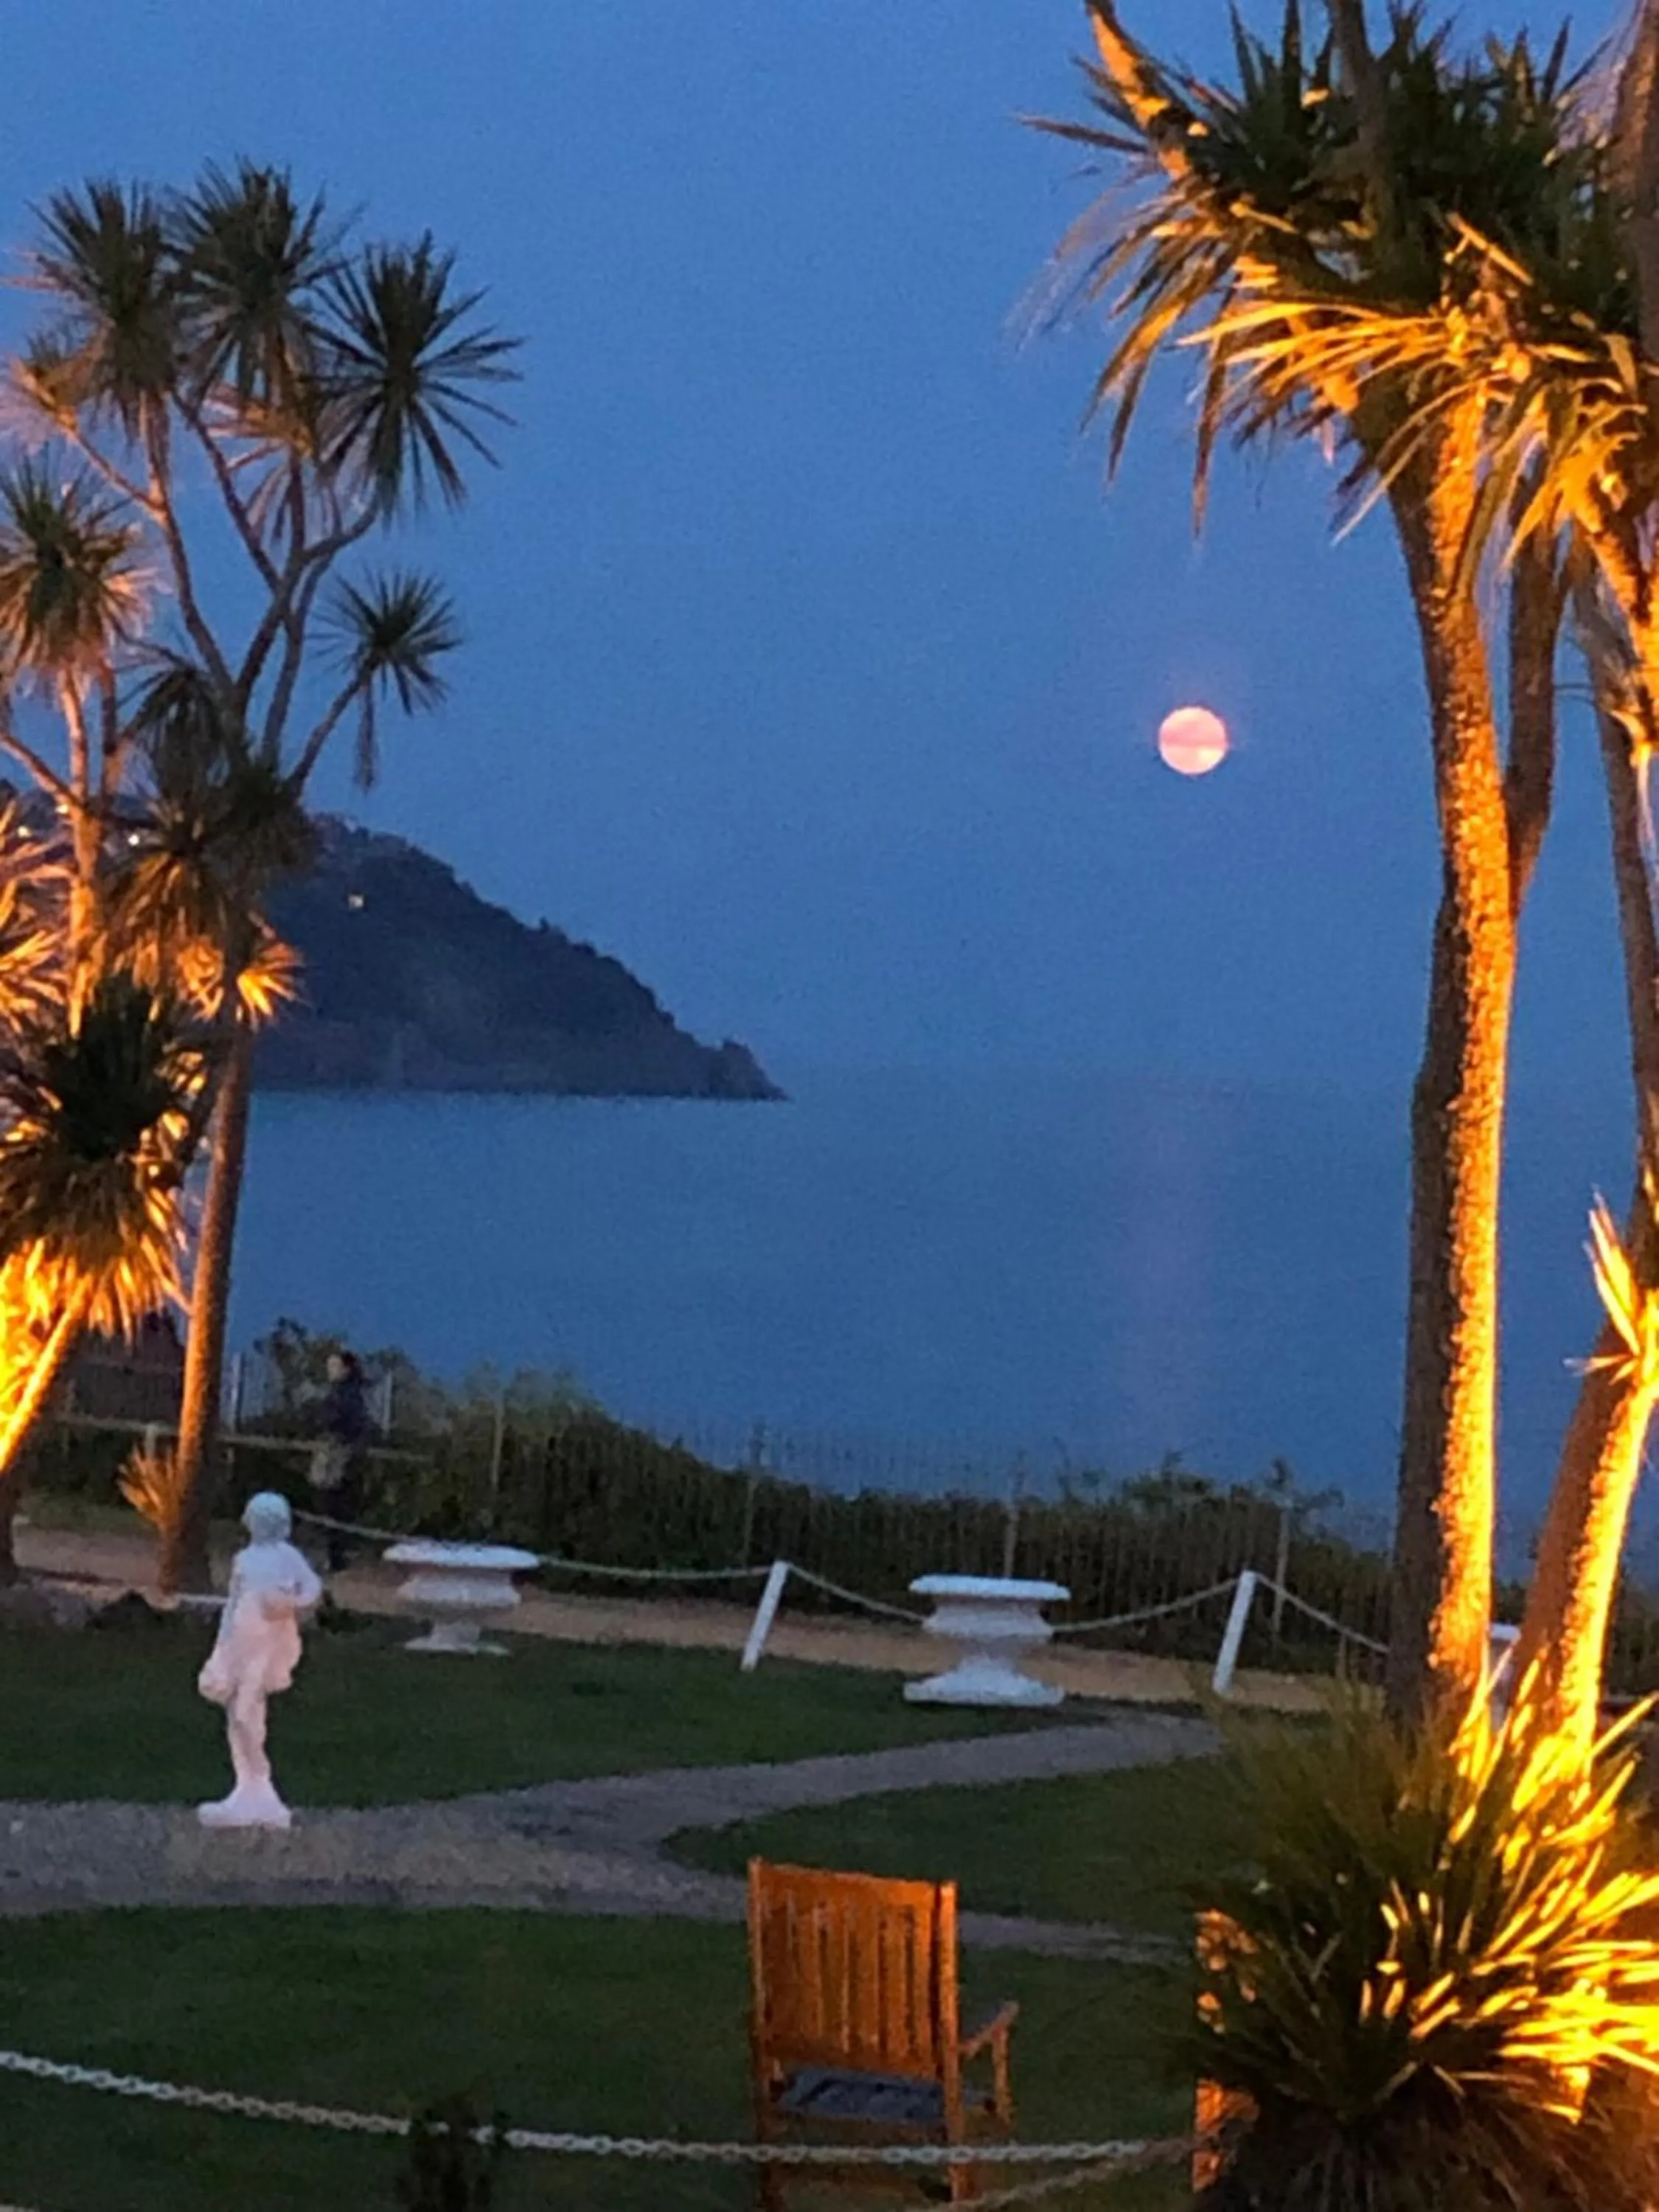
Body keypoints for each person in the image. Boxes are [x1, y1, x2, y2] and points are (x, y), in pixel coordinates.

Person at [197, 1492, 322, 1829]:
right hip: (240, 1637)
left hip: (266, 1642)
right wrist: (222, 1644)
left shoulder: (287, 1556)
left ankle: (261, 1782)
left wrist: (289, 1601)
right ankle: (245, 1786)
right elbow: (233, 1602)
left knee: (246, 1712)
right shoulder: (245, 1559)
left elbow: (312, 1587)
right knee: (235, 1710)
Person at [314, 1349, 375, 1572]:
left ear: (346, 1370)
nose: (331, 1371)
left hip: (338, 1456)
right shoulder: (347, 1394)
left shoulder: (346, 1396)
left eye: (335, 1366)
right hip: (336, 1455)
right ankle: (335, 1554)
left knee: (333, 1505)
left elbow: (340, 1422)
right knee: (333, 1506)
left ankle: (336, 1556)